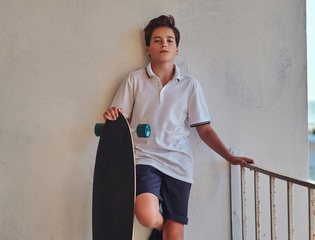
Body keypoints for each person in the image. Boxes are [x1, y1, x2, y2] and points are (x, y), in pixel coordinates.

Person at [103, 15, 254, 240]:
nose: (164, 44)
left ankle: (164, 229)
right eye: (157, 40)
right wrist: (112, 115)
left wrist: (230, 157)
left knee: (175, 236)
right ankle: (159, 226)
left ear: (177, 50)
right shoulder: (133, 80)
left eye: (169, 40)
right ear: (147, 48)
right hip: (145, 159)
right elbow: (118, 120)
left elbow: (205, 130)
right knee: (146, 215)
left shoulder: (190, 85)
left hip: (179, 164)